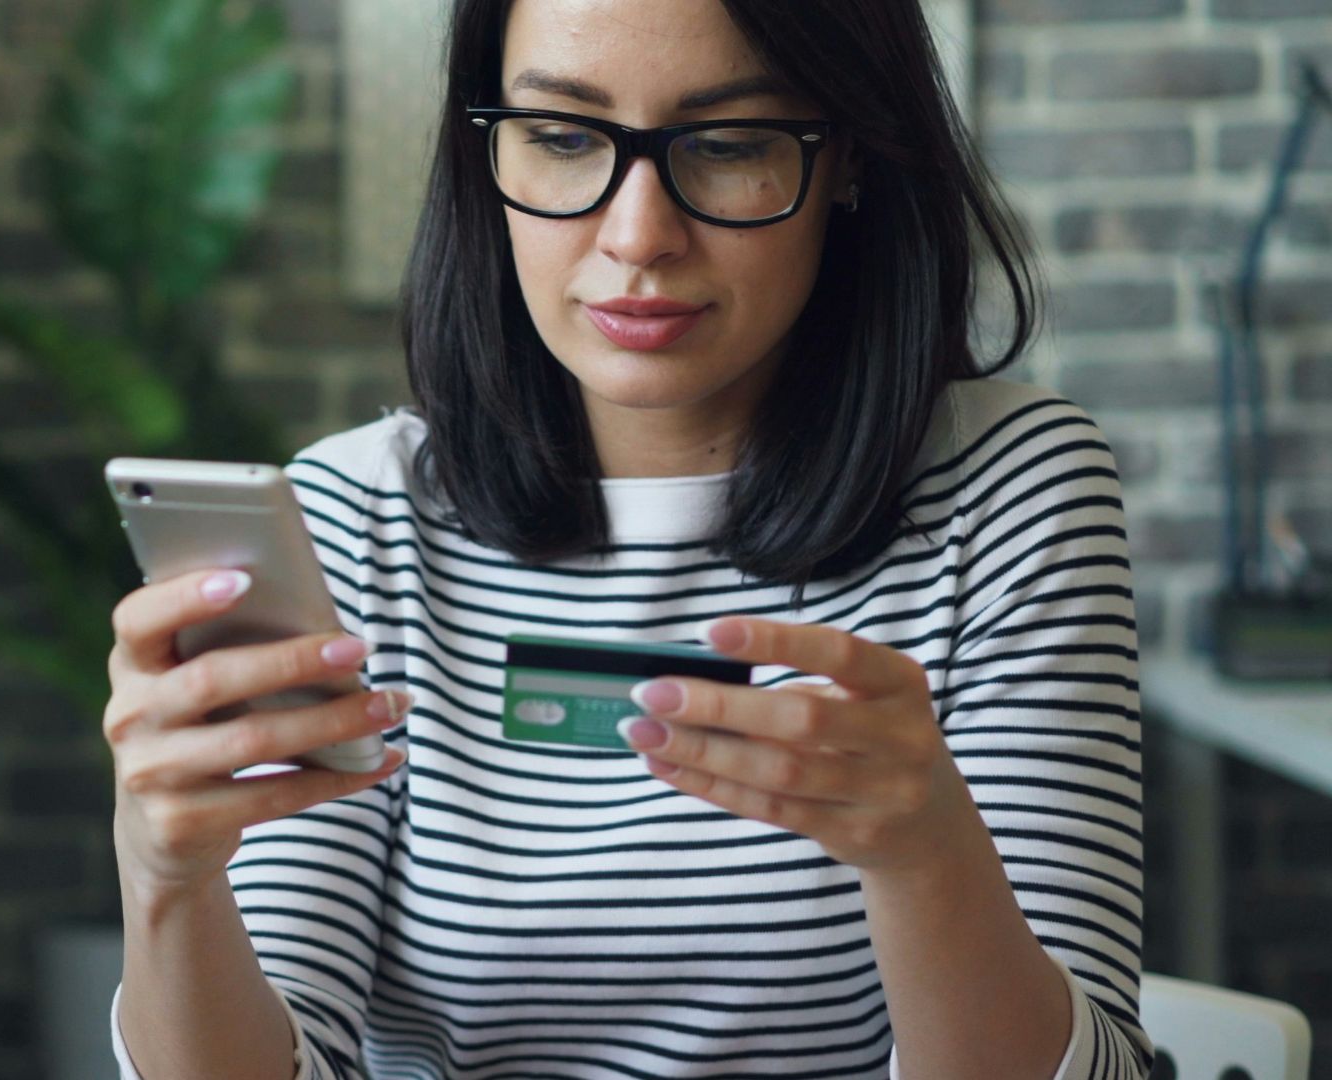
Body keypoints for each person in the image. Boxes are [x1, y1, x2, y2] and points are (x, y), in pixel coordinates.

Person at [103, 0, 1149, 1076]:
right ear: (486, 149)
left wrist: (928, 857)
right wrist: (165, 881)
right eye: (562, 139)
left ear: (849, 158)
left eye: (730, 144)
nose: (639, 235)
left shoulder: (1010, 488)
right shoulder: (353, 521)